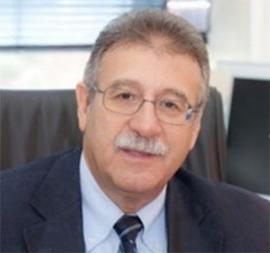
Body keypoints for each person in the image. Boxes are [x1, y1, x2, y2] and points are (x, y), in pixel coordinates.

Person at [1, 9, 269, 253]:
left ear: (196, 125)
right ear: (85, 105)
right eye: (125, 96)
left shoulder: (254, 229)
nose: (146, 126)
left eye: (170, 104)